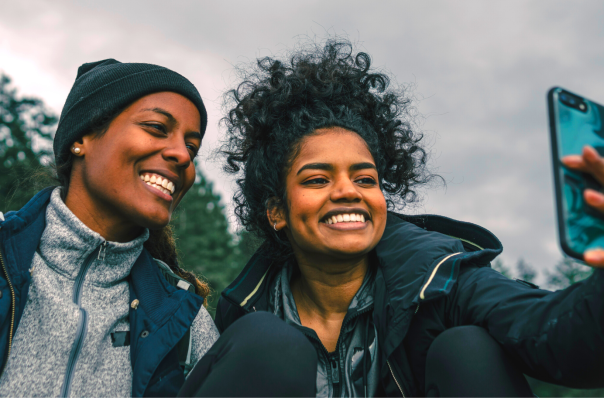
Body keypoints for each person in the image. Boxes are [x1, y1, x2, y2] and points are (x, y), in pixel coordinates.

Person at [215, 40, 604, 397]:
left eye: (365, 178)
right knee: (263, 341)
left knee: (467, 349)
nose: (348, 190)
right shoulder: (244, 313)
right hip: (258, 339)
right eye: (318, 179)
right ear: (276, 212)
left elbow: (562, 340)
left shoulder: (441, 281)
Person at [0, 59, 317, 397]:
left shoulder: (187, 326)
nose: (183, 155)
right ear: (82, 138)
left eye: (192, 148)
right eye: (155, 127)